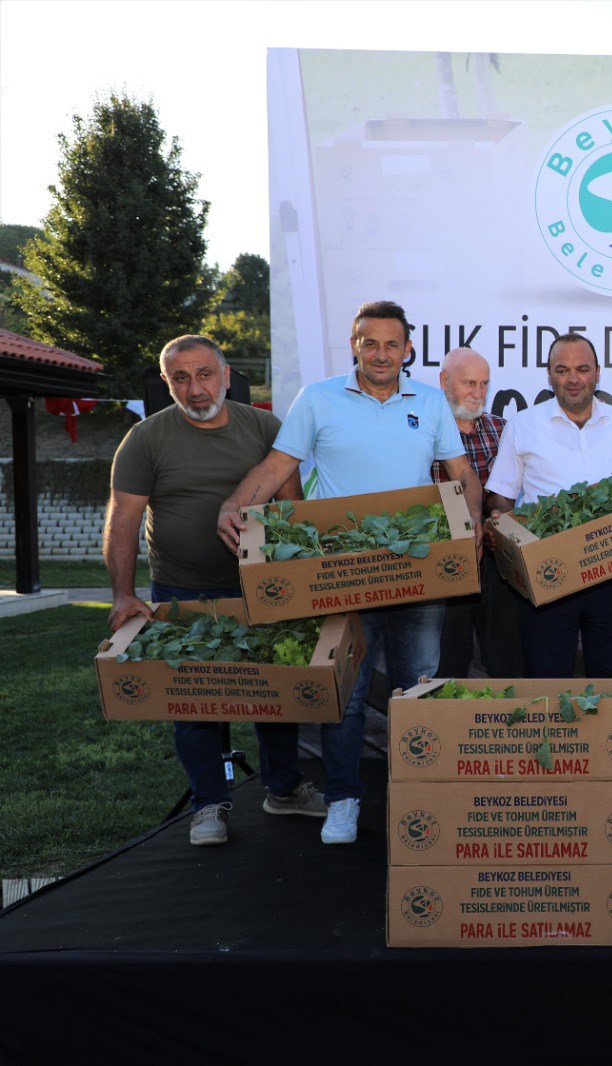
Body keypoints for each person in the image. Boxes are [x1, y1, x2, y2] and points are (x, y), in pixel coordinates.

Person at [217, 300, 482, 845]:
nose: (380, 353)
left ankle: (421, 790)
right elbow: (276, 467)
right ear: (353, 345)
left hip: (417, 570)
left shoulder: (431, 402)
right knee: (346, 693)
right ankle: (343, 798)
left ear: (408, 350)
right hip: (341, 573)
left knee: (419, 687)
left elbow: (462, 474)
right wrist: (234, 504)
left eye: (392, 344)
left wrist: (472, 516)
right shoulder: (317, 398)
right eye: (369, 342)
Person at [107, 334, 318, 846]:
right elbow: (123, 521)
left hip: (260, 587)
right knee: (194, 701)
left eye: (205, 374)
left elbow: (291, 509)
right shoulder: (145, 439)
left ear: (227, 376)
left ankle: (284, 789)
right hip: (182, 589)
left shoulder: (266, 427)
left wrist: (295, 583)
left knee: (276, 693)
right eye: (181, 378)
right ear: (167, 382)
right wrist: (122, 594)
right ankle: (208, 805)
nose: (195, 389)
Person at [484, 332, 612, 678]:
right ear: (549, 375)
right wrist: (500, 520)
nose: (573, 379)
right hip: (547, 573)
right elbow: (500, 494)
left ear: (597, 373)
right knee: (547, 677)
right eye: (562, 370)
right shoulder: (522, 426)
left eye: (582, 369)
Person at [433, 347, 519, 678]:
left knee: (507, 658)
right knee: (448, 660)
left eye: (484, 384)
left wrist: (502, 519)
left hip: (496, 562)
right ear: (444, 380)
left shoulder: (503, 429)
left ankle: (509, 724)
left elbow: (512, 491)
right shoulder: (425, 430)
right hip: (446, 559)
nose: (478, 393)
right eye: (469, 383)